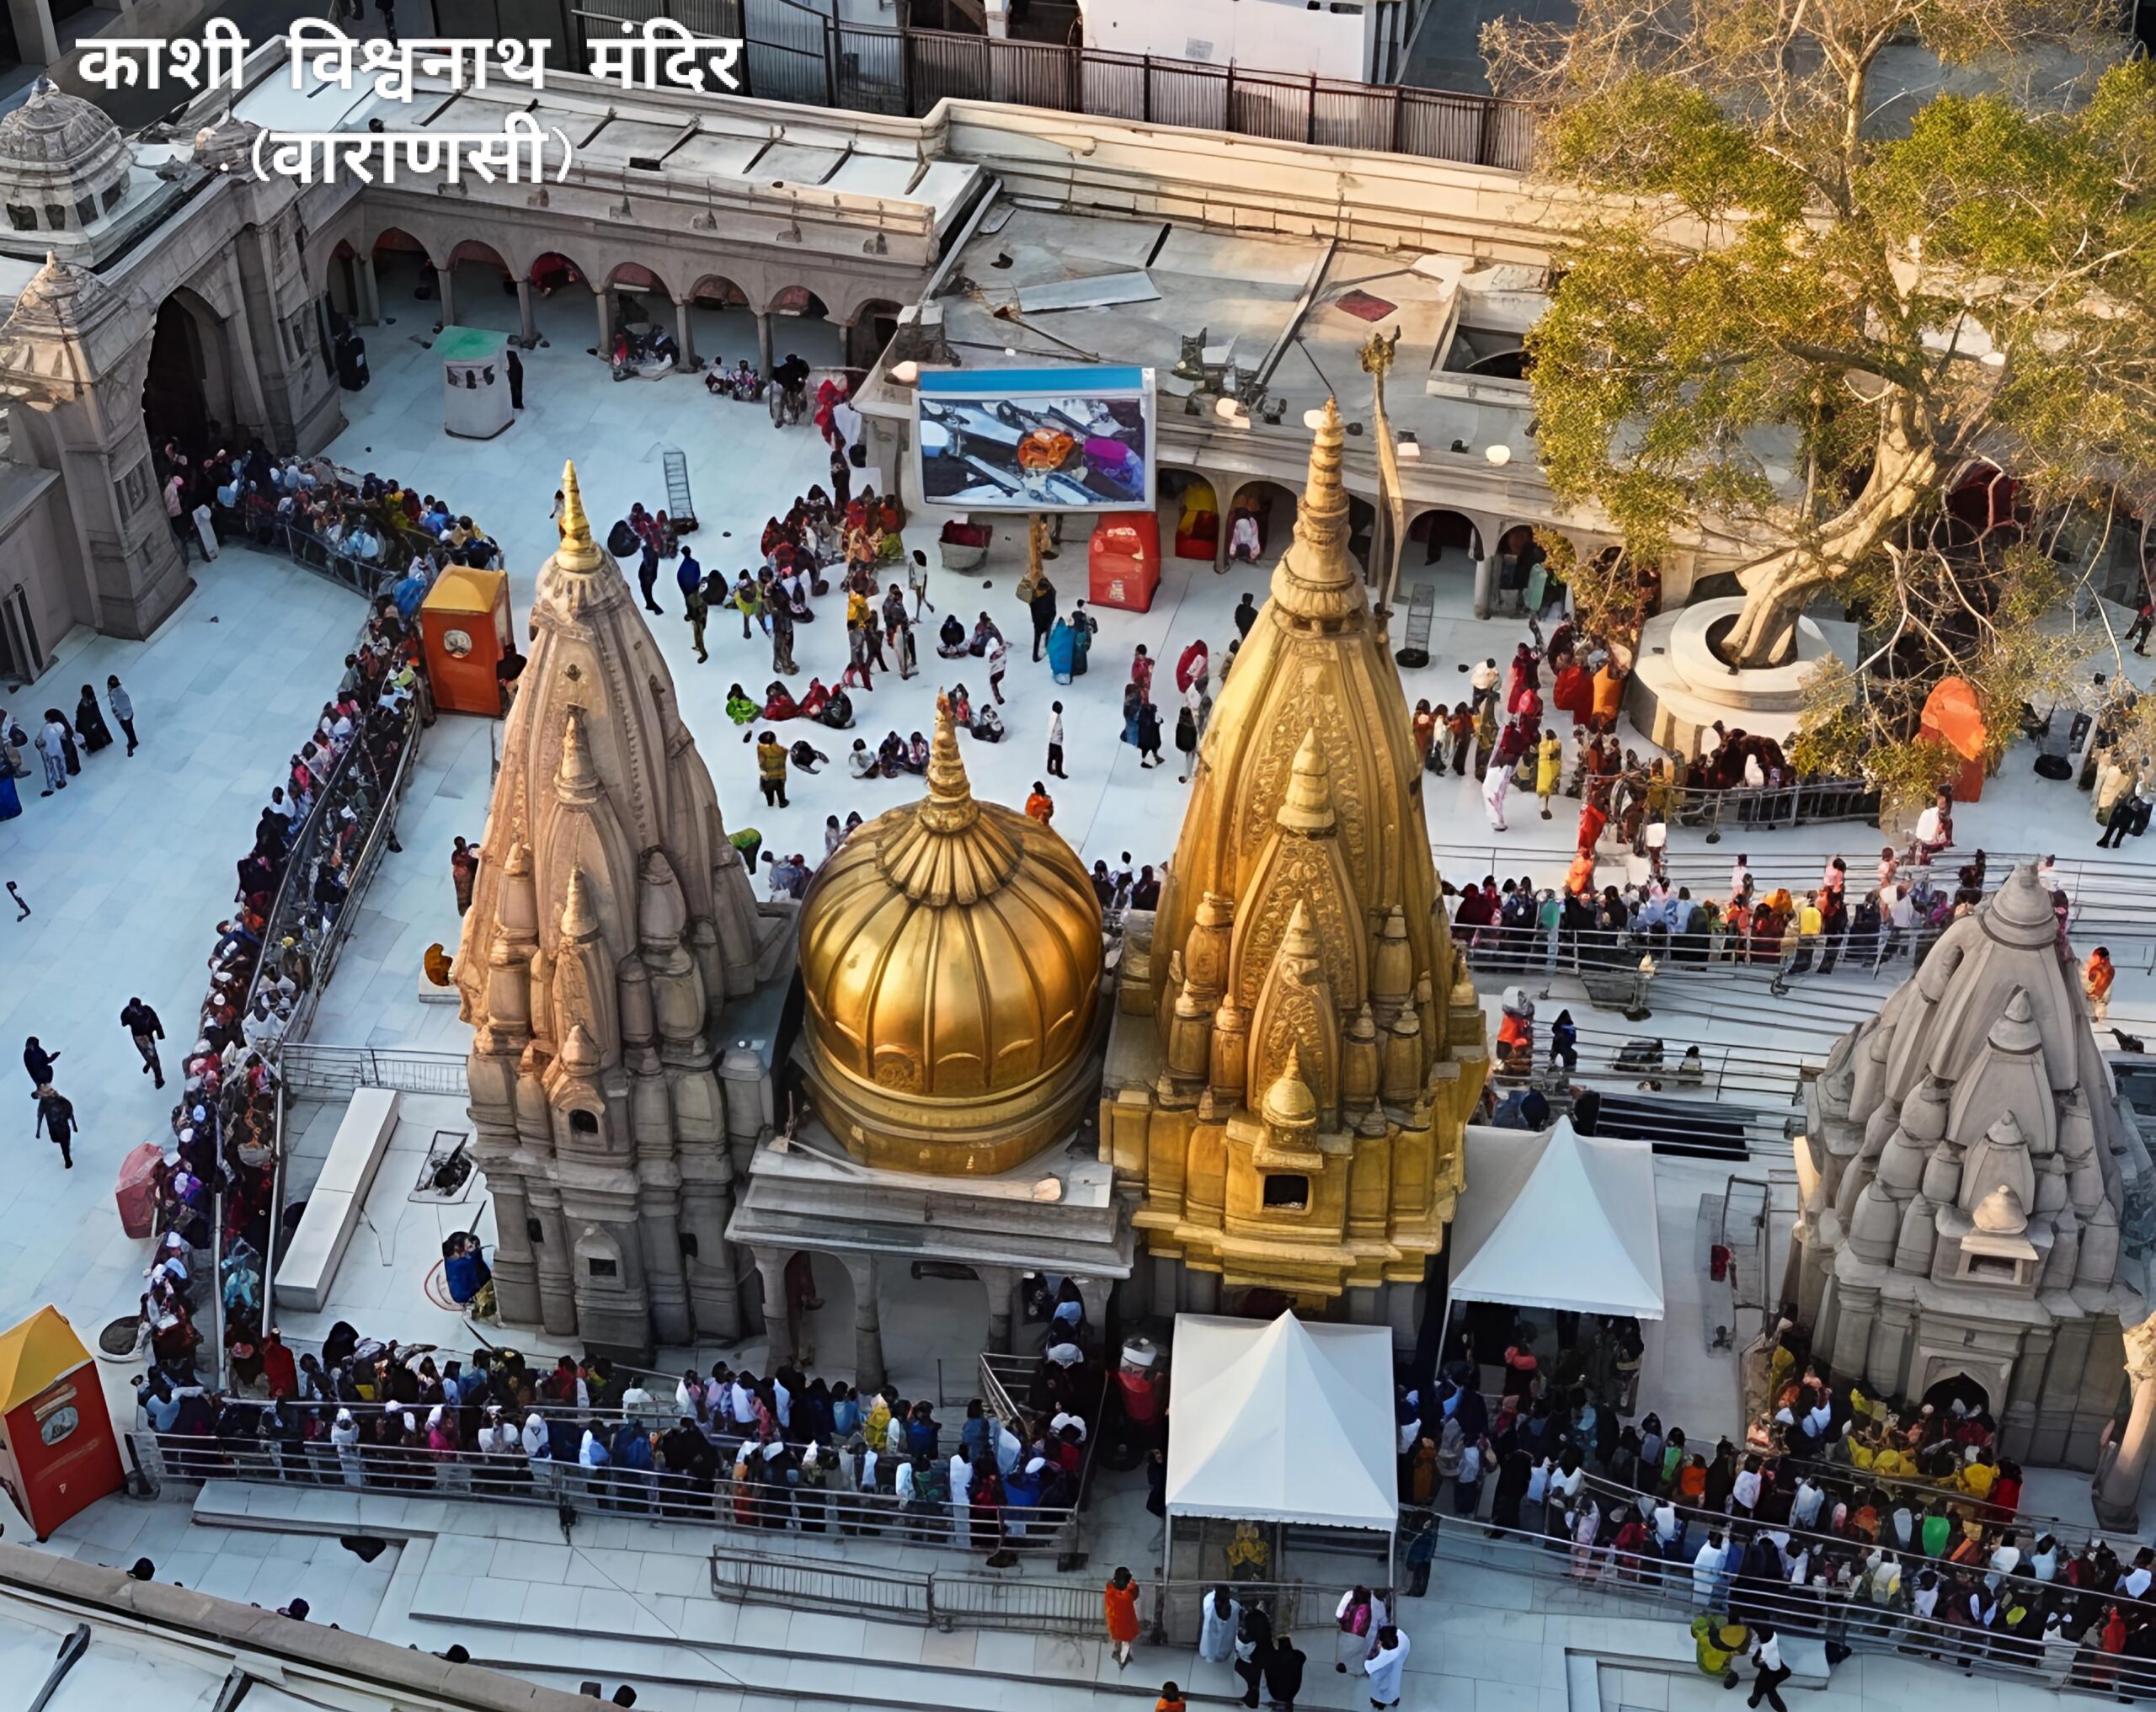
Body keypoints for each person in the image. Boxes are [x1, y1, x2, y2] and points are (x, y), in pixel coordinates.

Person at [1744, 1624, 1790, 1712]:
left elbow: (1756, 1662)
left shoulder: (1759, 1688)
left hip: (1774, 1671)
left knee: (1768, 1689)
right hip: (1777, 1671)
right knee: (1769, 1690)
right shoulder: (1760, 1688)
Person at [120, 998, 163, 1089]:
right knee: (148, 1055)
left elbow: (156, 1021)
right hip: (139, 1038)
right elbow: (124, 1022)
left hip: (148, 1035)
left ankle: (157, 1075)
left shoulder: (147, 1011)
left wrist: (160, 1033)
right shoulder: (128, 1013)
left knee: (153, 1056)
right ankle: (154, 1070)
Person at [1363, 1626, 1408, 1711]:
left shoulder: (1389, 1654)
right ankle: (1393, 1700)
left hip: (1382, 1686)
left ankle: (1379, 1702)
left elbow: (1369, 1667)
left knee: (1380, 1684)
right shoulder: (1401, 1637)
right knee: (1394, 1679)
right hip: (1396, 1665)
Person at [1103, 1566, 1141, 1669]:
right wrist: (1132, 1583)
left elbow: (1113, 1587)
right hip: (1126, 1624)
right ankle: (1123, 1659)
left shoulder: (1110, 1592)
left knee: (1118, 1639)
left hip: (1114, 1622)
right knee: (1126, 1642)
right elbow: (1133, 1594)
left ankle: (1117, 1652)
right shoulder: (1127, 1595)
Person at [35, 1084, 76, 1168]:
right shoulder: (45, 1103)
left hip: (62, 1127)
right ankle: (67, 1156)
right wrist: (38, 1131)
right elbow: (40, 1116)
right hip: (55, 1128)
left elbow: (70, 1110)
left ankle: (67, 1160)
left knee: (64, 1143)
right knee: (61, 1141)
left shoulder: (59, 1099)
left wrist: (74, 1124)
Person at [1262, 1635, 1305, 1712]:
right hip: (1289, 1694)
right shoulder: (1296, 1656)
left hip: (1276, 1693)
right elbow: (1302, 1657)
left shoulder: (1273, 1657)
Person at [106, 675, 138, 755]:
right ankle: (133, 741)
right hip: (128, 713)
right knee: (130, 728)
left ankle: (132, 742)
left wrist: (118, 715)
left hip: (123, 716)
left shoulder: (114, 694)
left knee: (128, 730)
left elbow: (115, 706)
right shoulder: (120, 690)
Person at [756, 733, 788, 808]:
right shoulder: (781, 750)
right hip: (779, 776)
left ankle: (770, 803)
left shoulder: (761, 749)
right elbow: (785, 754)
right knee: (780, 791)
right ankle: (782, 802)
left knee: (768, 792)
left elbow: (761, 762)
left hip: (767, 777)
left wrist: (763, 774)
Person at [450, 836, 478, 915]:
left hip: (470, 875)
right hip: (470, 877)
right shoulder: (462, 860)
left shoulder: (457, 860)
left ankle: (466, 909)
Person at [2087, 945, 2116, 1021]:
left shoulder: (2105, 972)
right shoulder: (2097, 969)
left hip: (2096, 1006)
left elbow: (2098, 992)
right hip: (2094, 1004)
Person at [1046, 701, 1065, 779]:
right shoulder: (1054, 717)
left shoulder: (1056, 716)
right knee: (1059, 758)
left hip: (1054, 741)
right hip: (1055, 741)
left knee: (1051, 756)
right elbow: (1050, 729)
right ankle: (1059, 772)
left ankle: (1050, 769)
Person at [506, 346, 524, 410]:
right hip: (513, 361)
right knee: (516, 385)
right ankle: (517, 403)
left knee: (515, 385)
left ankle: (516, 404)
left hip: (513, 363)